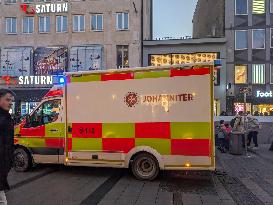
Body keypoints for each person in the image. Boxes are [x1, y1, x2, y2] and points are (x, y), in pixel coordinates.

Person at [0, 89, 15, 205]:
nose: (10, 103)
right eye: (7, 99)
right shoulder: (3, 118)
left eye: (11, 100)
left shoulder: (6, 116)